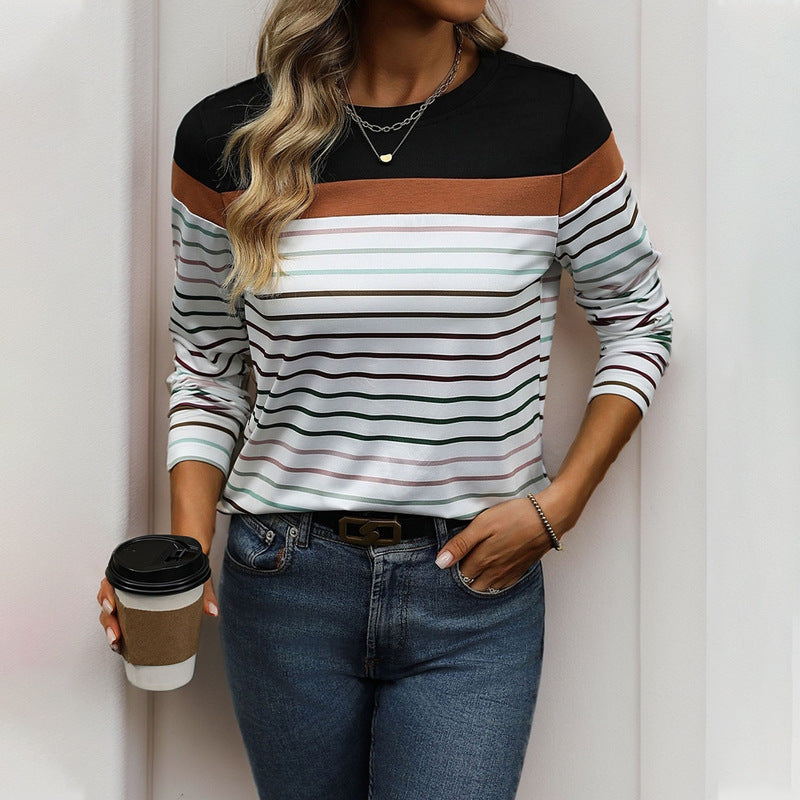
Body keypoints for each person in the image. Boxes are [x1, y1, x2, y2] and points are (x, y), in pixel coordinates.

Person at [98, 1, 673, 797]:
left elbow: (640, 320)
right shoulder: (229, 137)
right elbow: (206, 363)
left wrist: (559, 505)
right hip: (284, 579)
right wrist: (184, 559)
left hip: (475, 591)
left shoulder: (553, 117)